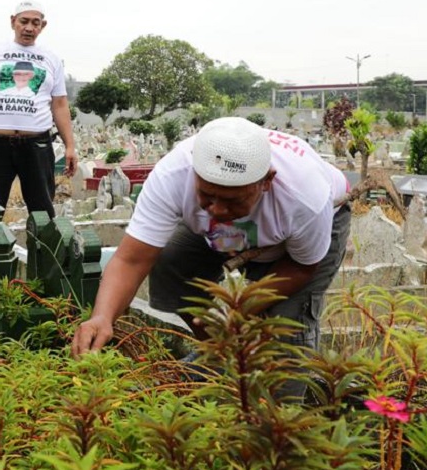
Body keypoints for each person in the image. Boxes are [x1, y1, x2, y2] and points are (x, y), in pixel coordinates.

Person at [72, 117, 351, 388]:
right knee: (173, 262)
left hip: (299, 249)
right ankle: (219, 355)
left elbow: (302, 267)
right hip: (227, 235)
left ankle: (281, 406)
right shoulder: (173, 175)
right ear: (194, 174)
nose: (217, 209)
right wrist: (102, 317)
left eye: (232, 200)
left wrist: (240, 308)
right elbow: (131, 260)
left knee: (287, 331)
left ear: (266, 181)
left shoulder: (305, 196)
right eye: (207, 195)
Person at [0, 0, 76, 219]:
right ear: (13, 22)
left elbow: (60, 104)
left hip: (37, 144)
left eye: (35, 23)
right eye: (24, 21)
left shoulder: (51, 59)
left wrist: (70, 145)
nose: (29, 28)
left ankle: (41, 242)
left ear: (43, 26)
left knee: (42, 212)